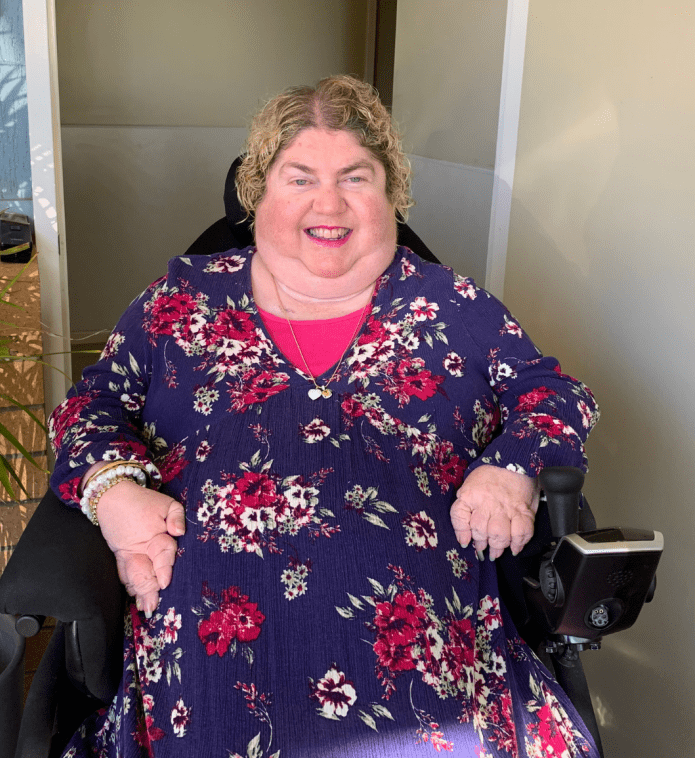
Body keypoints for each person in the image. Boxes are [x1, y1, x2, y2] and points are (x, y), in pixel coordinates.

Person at [50, 75, 601, 757]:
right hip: (211, 670)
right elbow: (89, 403)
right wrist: (114, 493)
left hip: (427, 671)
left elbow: (555, 394)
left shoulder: (454, 307)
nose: (329, 203)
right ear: (260, 192)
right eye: (300, 177)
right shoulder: (180, 304)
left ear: (391, 192)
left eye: (357, 178)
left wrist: (509, 468)